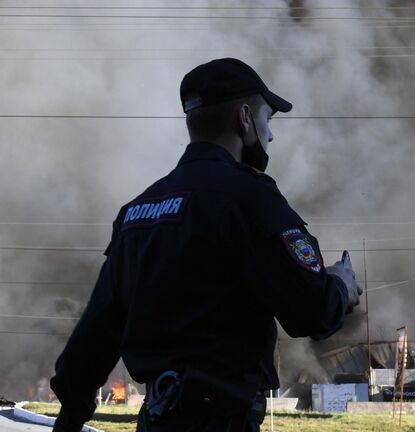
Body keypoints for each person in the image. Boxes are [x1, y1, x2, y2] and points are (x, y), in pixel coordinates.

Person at [49, 58, 362, 432]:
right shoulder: (248, 197)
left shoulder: (137, 211)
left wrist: (69, 416)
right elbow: (312, 311)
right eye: (268, 119)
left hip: (158, 420)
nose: (271, 135)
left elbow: (97, 332)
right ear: (245, 118)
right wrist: (341, 284)